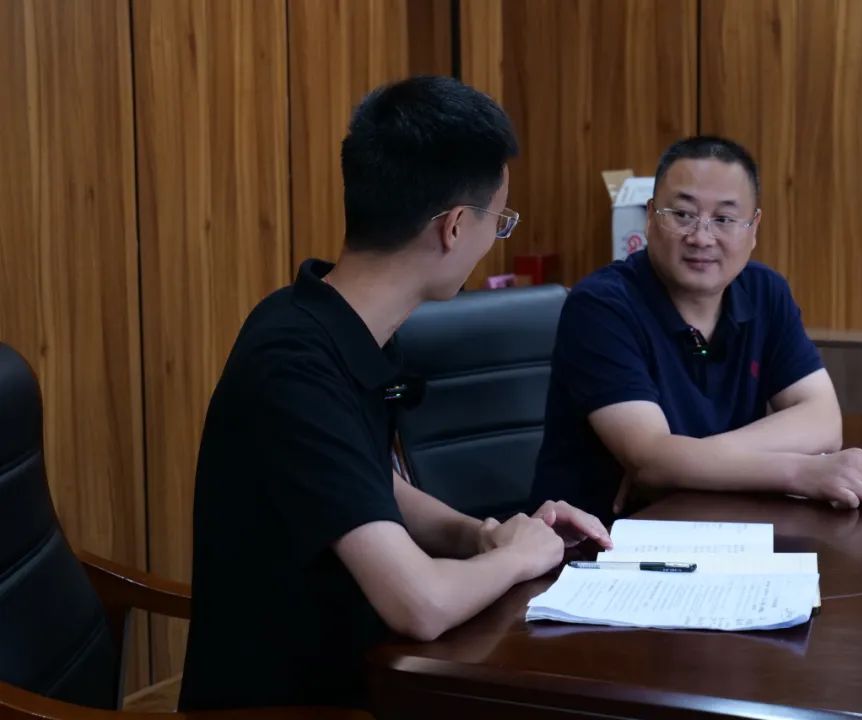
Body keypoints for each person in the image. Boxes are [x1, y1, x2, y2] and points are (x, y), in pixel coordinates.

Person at [179, 76, 611, 712]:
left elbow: (367, 482)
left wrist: (484, 536)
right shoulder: (292, 363)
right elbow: (421, 605)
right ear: (455, 227)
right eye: (500, 221)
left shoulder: (327, 319)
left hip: (369, 672)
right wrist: (519, 559)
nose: (496, 238)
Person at [531, 136, 862, 524]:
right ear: (651, 216)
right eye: (682, 214)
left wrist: (676, 464)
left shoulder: (764, 292)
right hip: (599, 543)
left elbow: (823, 420)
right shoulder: (602, 305)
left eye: (724, 219)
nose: (702, 237)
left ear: (753, 228)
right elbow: (649, 455)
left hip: (719, 529)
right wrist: (801, 471)